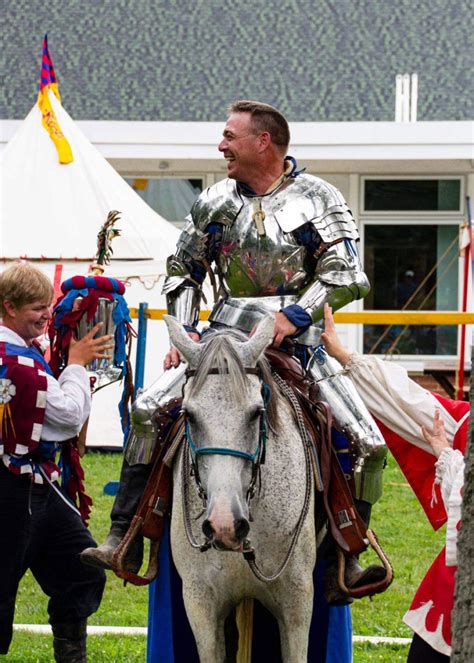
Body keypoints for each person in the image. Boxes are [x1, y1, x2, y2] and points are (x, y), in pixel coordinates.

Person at [82, 99, 388, 598]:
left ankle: (346, 557)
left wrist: (294, 315)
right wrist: (184, 336)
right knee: (146, 409)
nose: (221, 145)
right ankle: (128, 535)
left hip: (302, 344)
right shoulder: (215, 201)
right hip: (222, 340)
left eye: (230, 136)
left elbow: (349, 275)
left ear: (262, 142)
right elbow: (184, 271)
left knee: (367, 443)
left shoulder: (319, 198)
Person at [321, 302, 469, 661]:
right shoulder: (466, 422)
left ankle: (346, 554)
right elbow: (409, 402)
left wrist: (447, 456)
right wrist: (341, 354)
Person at [0, 262, 113, 662]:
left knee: (81, 569)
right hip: (9, 491)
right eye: (37, 308)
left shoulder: (25, 352)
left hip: (40, 489)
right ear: (9, 308)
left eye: (49, 306)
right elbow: (66, 418)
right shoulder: (19, 364)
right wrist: (78, 366)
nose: (47, 314)